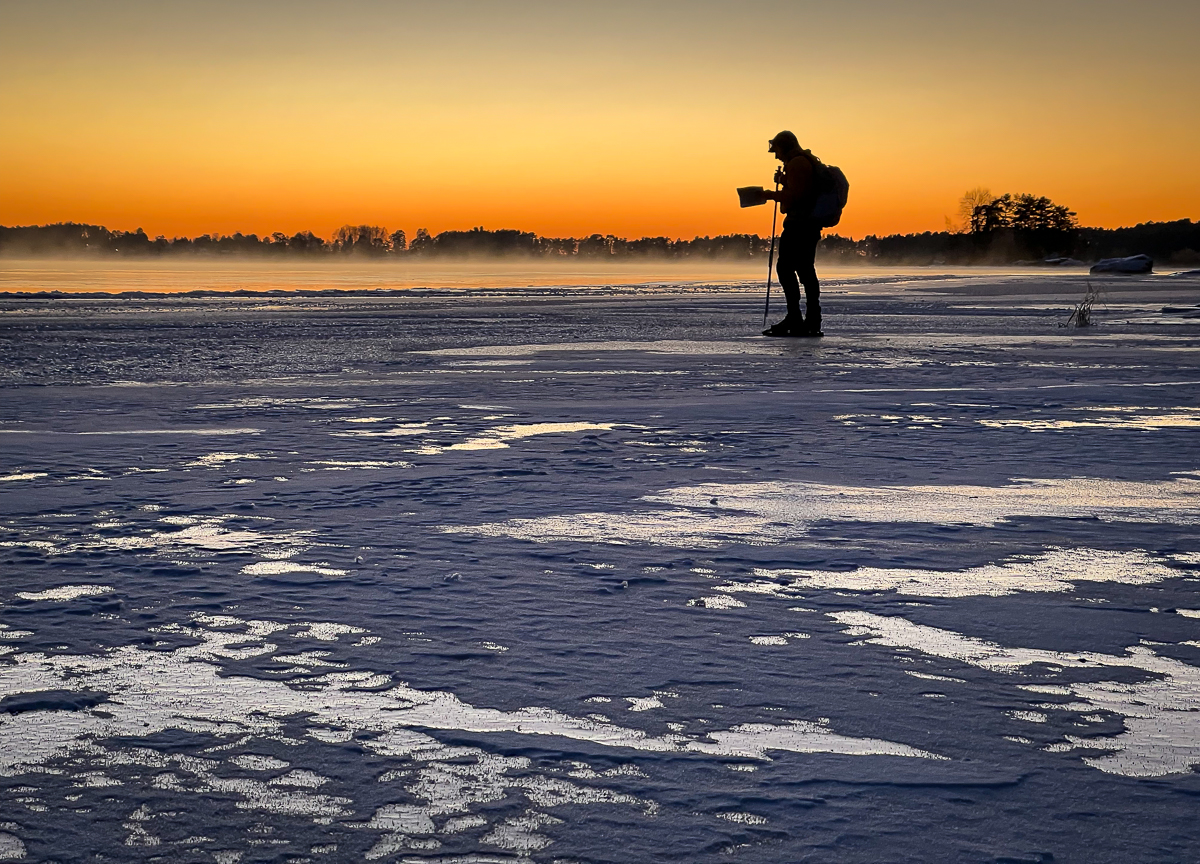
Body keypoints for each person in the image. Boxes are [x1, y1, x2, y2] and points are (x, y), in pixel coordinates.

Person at [762, 130, 823, 337]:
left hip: (800, 225)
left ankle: (799, 318)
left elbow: (799, 196)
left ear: (785, 147)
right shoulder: (802, 162)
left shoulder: (798, 163)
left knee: (790, 268)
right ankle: (807, 318)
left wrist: (770, 194)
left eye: (777, 150)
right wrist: (785, 180)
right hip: (806, 225)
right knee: (802, 269)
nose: (777, 155)